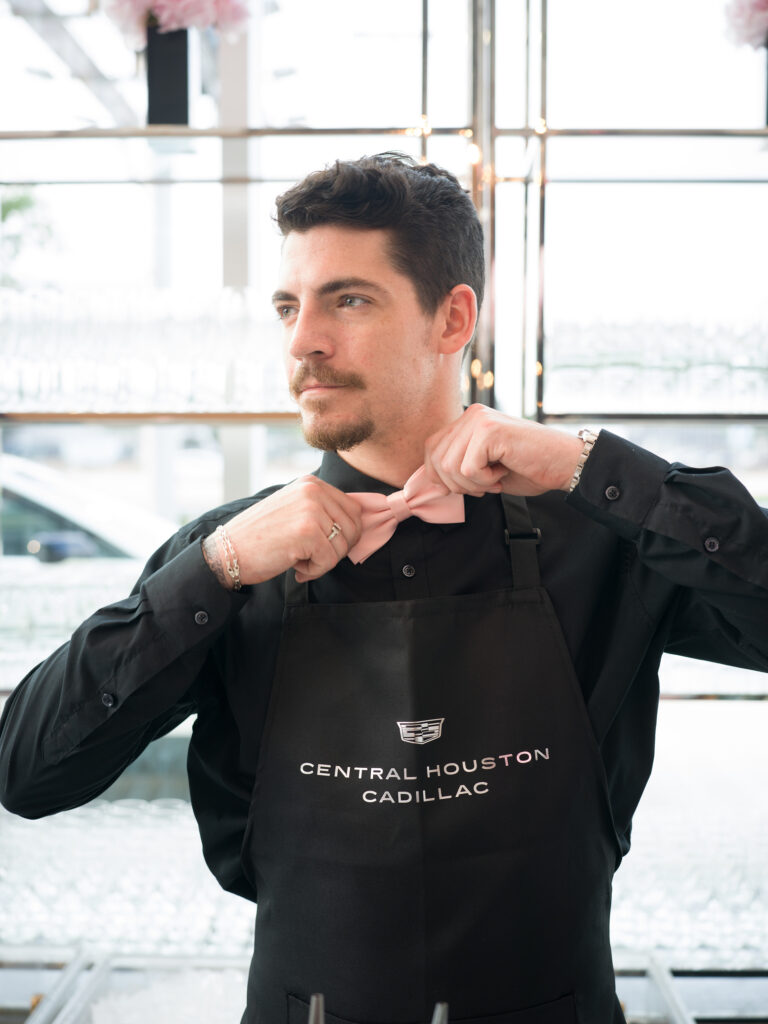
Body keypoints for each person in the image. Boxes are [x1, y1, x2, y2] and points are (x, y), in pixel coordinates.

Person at [1, 152, 767, 1024]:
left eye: (349, 300)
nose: (303, 341)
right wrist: (213, 571)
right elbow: (28, 776)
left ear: (453, 319)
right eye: (288, 307)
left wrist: (590, 467)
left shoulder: (601, 538)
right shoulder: (229, 561)